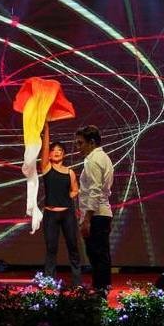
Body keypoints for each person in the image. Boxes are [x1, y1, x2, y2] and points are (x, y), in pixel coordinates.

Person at [39, 123, 82, 286]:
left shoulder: (70, 172)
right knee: (51, 248)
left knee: (73, 246)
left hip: (67, 214)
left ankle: (77, 282)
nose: (56, 152)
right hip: (50, 215)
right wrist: (46, 129)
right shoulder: (46, 167)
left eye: (60, 150)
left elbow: (75, 190)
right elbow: (44, 147)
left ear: (64, 154)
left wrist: (68, 196)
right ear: (49, 154)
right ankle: (49, 282)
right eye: (53, 150)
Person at [75, 125, 114, 290]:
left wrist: (87, 220)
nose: (78, 147)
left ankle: (100, 290)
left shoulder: (93, 160)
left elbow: (95, 190)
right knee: (100, 254)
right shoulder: (104, 157)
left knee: (97, 255)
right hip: (102, 213)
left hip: (96, 215)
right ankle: (102, 289)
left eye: (80, 143)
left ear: (91, 142)